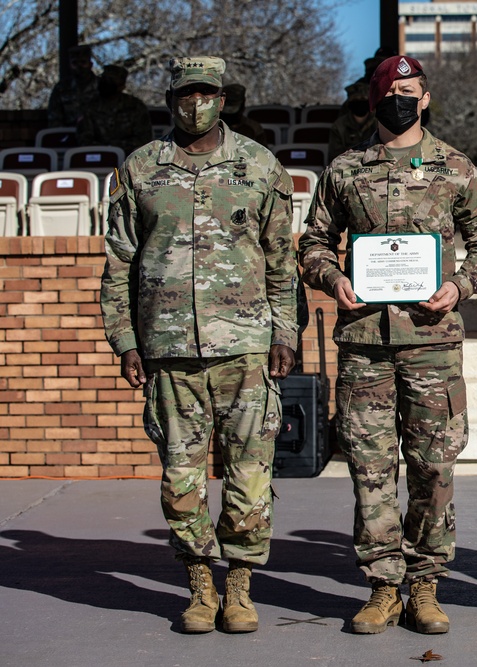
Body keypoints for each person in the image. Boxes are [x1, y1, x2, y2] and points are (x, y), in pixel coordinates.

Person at [298, 55, 477, 636]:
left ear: (426, 96)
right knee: (370, 467)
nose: (399, 98)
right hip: (365, 343)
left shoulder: (456, 167)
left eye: (408, 90)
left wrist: (460, 284)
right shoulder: (345, 170)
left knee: (433, 467)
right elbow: (313, 242)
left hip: (432, 342)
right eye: (390, 89)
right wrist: (332, 278)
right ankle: (383, 586)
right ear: (373, 98)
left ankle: (425, 586)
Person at [100, 56, 298, 635]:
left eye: (207, 92)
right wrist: (125, 341)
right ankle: (199, 587)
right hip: (168, 353)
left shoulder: (260, 167)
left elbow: (282, 263)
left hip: (245, 349)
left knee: (250, 477)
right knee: (181, 479)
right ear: (170, 100)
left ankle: (239, 587)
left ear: (223, 98)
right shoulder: (140, 169)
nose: (196, 103)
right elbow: (119, 264)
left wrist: (285, 332)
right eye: (186, 93)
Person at [76, 65, 152, 156]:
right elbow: (84, 139)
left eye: (111, 80)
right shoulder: (90, 106)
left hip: (129, 158)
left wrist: (116, 147)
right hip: (97, 156)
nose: (105, 83)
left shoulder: (135, 106)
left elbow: (144, 139)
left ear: (122, 85)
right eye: (104, 79)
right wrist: (105, 148)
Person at [48, 45, 100, 128]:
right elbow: (54, 119)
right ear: (70, 65)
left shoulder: (102, 86)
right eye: (75, 63)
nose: (79, 67)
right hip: (70, 135)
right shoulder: (61, 88)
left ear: (90, 64)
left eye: (83, 62)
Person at [328, 79, 376, 159]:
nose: (360, 103)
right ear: (349, 103)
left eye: (363, 100)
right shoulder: (339, 126)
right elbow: (335, 157)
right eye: (355, 100)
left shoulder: (379, 124)